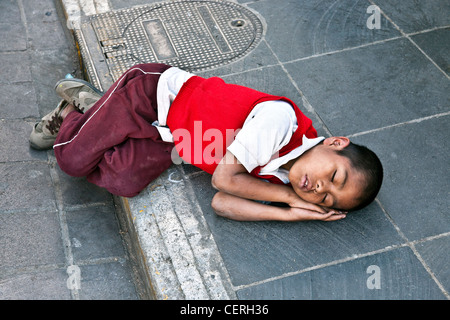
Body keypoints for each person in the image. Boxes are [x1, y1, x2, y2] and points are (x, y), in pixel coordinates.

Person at [30, 63, 383, 222]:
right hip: (150, 95)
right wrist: (290, 197)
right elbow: (224, 181)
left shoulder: (286, 177)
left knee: (124, 181)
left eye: (326, 199)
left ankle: (97, 114)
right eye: (334, 178)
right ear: (335, 143)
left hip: (170, 140)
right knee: (72, 161)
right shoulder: (282, 121)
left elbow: (223, 204)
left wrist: (293, 214)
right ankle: (75, 112)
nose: (321, 189)